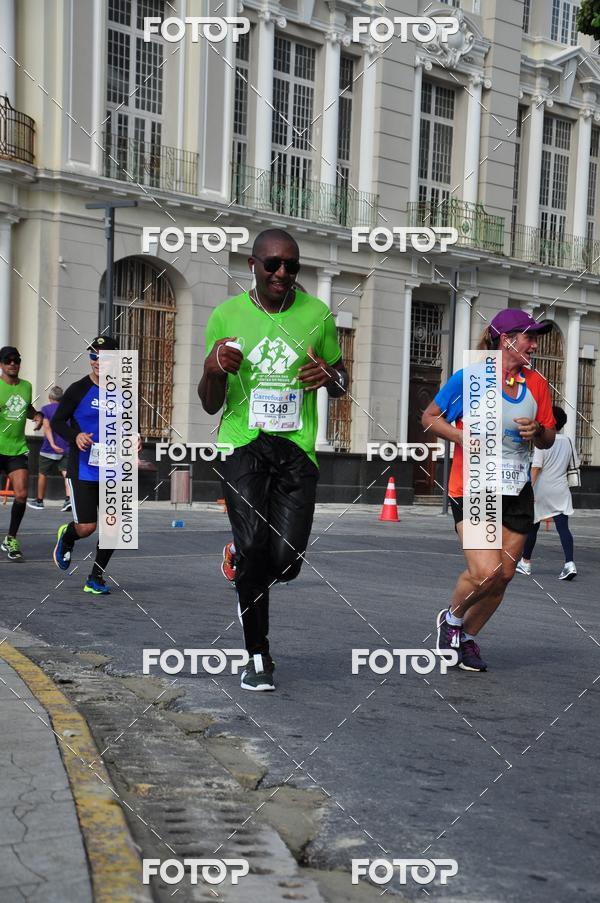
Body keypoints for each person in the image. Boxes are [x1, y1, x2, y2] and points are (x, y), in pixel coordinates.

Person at [199, 229, 348, 690]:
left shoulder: (317, 314)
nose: (282, 273)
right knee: (255, 551)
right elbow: (209, 403)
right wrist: (211, 369)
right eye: (273, 265)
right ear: (253, 265)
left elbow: (343, 383)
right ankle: (257, 655)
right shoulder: (226, 315)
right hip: (241, 443)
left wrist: (330, 376)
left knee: (286, 561)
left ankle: (240, 558)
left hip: (296, 448)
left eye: (291, 265)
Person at [422, 309, 556, 671]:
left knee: (505, 577)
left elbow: (548, 435)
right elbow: (430, 417)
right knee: (487, 572)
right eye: (528, 336)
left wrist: (537, 433)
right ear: (506, 339)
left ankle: (466, 638)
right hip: (474, 485)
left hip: (516, 488)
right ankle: (451, 619)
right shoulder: (473, 378)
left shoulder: (537, 384)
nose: (534, 343)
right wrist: (463, 435)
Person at [50, 336, 121, 594]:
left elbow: (131, 425)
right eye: (93, 356)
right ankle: (68, 536)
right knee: (88, 527)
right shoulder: (78, 389)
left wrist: (136, 439)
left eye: (103, 357)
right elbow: (58, 421)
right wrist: (75, 436)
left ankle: (95, 577)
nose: (97, 362)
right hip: (84, 468)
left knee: (114, 526)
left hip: (113, 466)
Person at [516, 406, 578, 580]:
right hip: (561, 488)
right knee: (563, 527)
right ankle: (569, 563)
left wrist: (529, 489)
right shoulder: (568, 441)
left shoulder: (541, 442)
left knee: (533, 526)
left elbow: (536, 467)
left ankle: (526, 562)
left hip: (542, 489)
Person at [0, 346, 43, 560]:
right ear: (1, 364)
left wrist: (37, 416)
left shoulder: (26, 386)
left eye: (16, 360)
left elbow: (25, 408)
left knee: (22, 494)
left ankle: (10, 539)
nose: (12, 364)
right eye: (8, 360)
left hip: (16, 448)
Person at [28, 386, 71, 511]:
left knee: (42, 474)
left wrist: (52, 444)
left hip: (49, 448)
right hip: (66, 447)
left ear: (50, 397)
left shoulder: (46, 409)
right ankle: (68, 499)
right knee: (66, 474)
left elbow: (47, 428)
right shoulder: (67, 410)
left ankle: (39, 501)